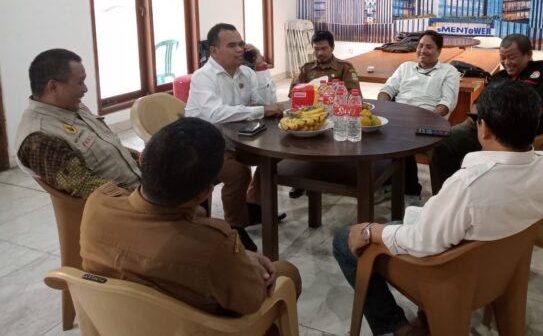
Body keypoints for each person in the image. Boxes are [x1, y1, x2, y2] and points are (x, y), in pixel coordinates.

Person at [333, 80, 543, 336]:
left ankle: (396, 327)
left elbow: (422, 242)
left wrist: (371, 231)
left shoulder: (469, 184)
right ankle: (427, 315)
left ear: (484, 128)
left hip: (448, 276)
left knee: (345, 239)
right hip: (500, 269)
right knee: (420, 208)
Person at [80, 117, 301, 316]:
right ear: (205, 193)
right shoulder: (212, 245)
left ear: (142, 158)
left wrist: (238, 259)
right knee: (287, 273)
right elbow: (250, 301)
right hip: (193, 328)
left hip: (115, 321)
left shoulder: (98, 203)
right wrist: (240, 263)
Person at [429, 33, 543, 195]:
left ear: (528, 54)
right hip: (483, 129)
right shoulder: (500, 77)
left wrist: (492, 115)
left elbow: (533, 112)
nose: (506, 62)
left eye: (512, 57)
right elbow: (477, 105)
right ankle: (445, 196)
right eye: (503, 57)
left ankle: (474, 197)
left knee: (480, 163)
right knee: (441, 143)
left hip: (515, 138)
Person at [185, 23, 284, 231]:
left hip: (238, 140)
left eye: (241, 44)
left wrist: (261, 67)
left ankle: (254, 205)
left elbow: (268, 103)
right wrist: (260, 111)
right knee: (237, 173)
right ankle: (235, 228)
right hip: (205, 148)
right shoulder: (203, 77)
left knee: (272, 156)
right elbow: (215, 113)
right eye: (231, 46)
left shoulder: (246, 73)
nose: (239, 50)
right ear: (214, 51)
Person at [15, 49, 141, 198]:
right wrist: (144, 197)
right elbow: (85, 186)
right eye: (80, 82)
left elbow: (106, 146)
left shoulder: (73, 107)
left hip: (141, 185)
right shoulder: (39, 138)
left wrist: (142, 159)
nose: (85, 89)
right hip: (124, 204)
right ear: (53, 87)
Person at [378, 30, 460, 200]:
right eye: (420, 46)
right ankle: (386, 183)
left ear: (439, 51)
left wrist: (427, 120)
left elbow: (447, 103)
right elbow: (387, 89)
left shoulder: (448, 71)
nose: (423, 50)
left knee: (403, 137)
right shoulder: (405, 67)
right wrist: (384, 109)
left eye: (429, 47)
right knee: (373, 132)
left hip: (430, 123)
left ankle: (409, 190)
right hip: (399, 117)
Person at [287, 29, 362, 199]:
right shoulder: (306, 69)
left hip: (336, 117)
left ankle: (330, 178)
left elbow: (353, 94)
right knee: (300, 142)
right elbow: (293, 93)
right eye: (316, 49)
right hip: (311, 117)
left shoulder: (345, 68)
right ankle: (300, 179)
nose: (319, 53)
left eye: (324, 49)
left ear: (332, 48)